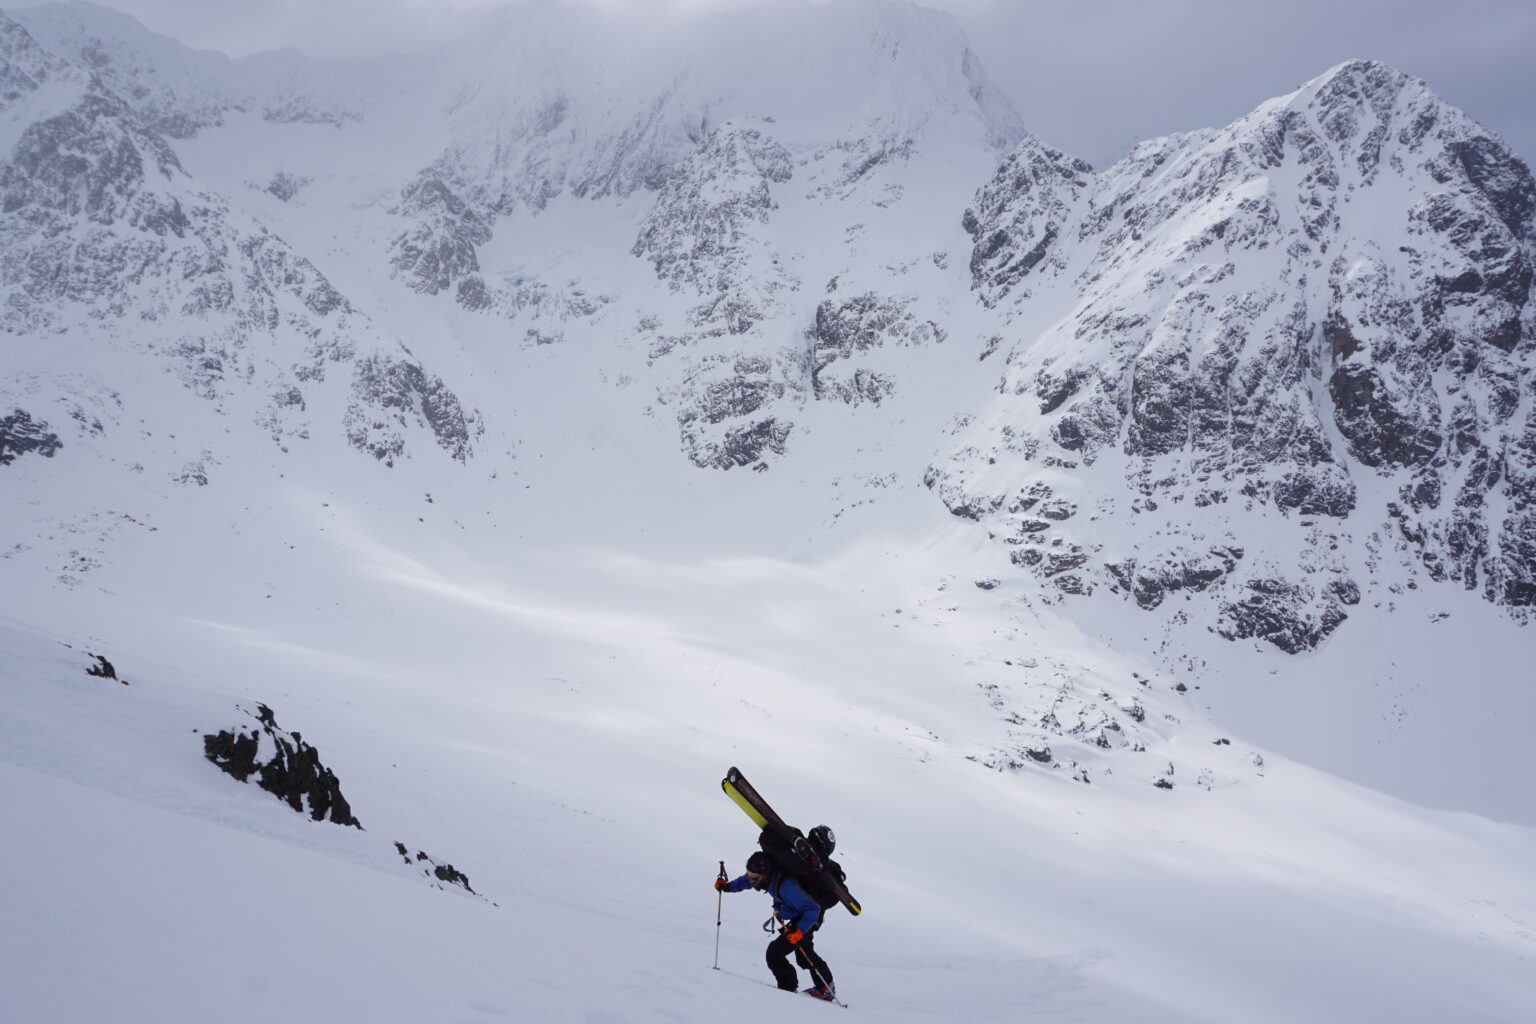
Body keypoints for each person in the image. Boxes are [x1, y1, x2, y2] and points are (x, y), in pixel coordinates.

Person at [716, 850, 836, 1000]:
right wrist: (727, 887)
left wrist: (799, 931)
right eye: (750, 876)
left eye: (754, 878)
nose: (751, 881)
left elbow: (813, 909)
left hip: (808, 919)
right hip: (800, 917)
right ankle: (824, 988)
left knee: (775, 954)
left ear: (765, 874)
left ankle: (787, 991)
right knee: (804, 955)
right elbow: (746, 880)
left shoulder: (787, 887)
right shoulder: (766, 878)